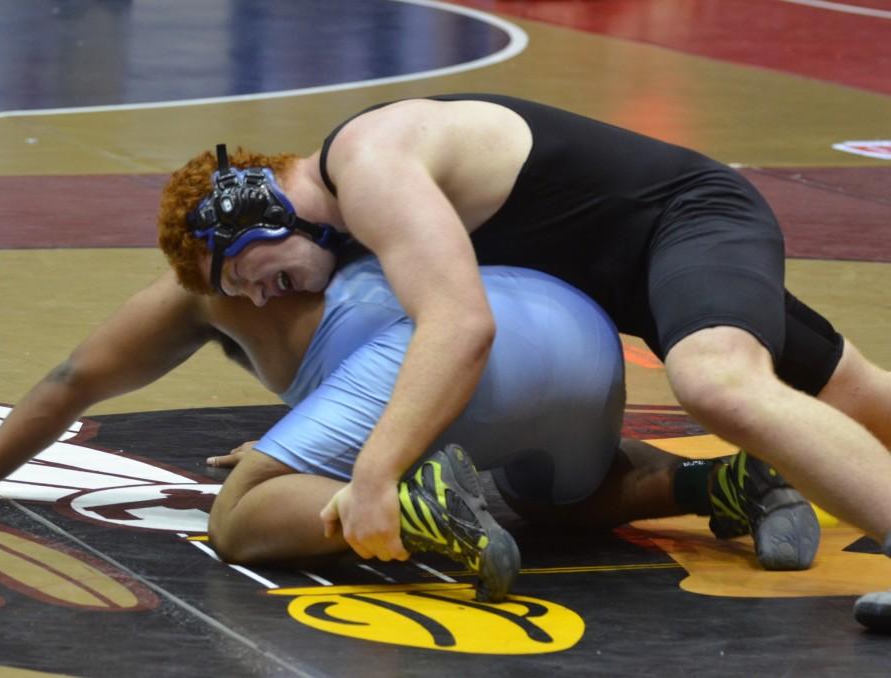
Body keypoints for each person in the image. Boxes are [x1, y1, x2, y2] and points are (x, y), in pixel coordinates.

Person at [155, 94, 891, 622]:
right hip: (624, 275)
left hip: (681, 223)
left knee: (718, 381)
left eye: (247, 279)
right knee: (859, 397)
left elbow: (459, 324)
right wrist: (311, 441)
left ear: (257, 223)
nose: (258, 301)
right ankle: (732, 483)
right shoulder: (333, 220)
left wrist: (375, 470)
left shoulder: (367, 166)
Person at [0, 253, 742, 602]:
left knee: (242, 515)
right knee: (555, 499)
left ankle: (415, 510)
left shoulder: (203, 286)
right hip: (566, 324)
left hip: (446, 350)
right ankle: (718, 484)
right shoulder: (353, 214)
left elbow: (74, 380)